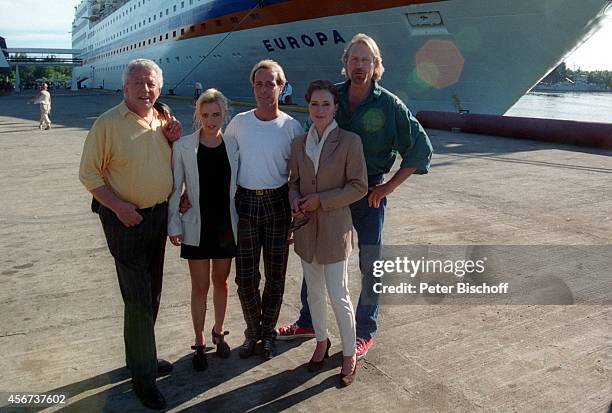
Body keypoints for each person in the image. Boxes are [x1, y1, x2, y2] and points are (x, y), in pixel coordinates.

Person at [276, 33, 433, 360]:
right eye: (354, 59)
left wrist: (387, 187)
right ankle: (308, 321)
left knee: (369, 263)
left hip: (368, 193)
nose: (359, 65)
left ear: (377, 66)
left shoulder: (389, 105)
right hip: (325, 194)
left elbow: (421, 150)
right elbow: (309, 143)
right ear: (345, 63)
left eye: (367, 60)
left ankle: (364, 331)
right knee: (315, 256)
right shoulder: (331, 97)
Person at [79, 59, 182, 410]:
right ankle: (143, 378)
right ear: (125, 88)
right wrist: (119, 206)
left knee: (151, 293)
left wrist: (172, 143)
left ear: (159, 87)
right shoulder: (108, 124)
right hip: (124, 220)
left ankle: (143, 358)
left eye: (151, 83)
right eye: (137, 83)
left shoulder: (161, 121)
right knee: (137, 299)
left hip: (157, 217)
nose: (145, 89)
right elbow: (89, 175)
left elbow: (164, 164)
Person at [289, 79, 367, 386]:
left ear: (336, 108)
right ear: (307, 107)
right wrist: (294, 199)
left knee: (339, 294)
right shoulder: (298, 143)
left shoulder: (350, 142)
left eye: (326, 104)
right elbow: (293, 181)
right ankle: (321, 341)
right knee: (315, 294)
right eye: (314, 104)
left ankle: (349, 352)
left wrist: (322, 199)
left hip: (335, 230)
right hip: (307, 230)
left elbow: (359, 186)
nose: (320, 110)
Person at [225, 60, 303, 360]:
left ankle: (267, 332)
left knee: (275, 276)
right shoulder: (240, 123)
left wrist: (296, 216)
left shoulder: (291, 127)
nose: (263, 89)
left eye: (270, 83)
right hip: (245, 203)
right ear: (252, 87)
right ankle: (252, 332)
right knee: (245, 277)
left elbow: (297, 175)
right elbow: (223, 163)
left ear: (281, 88)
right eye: (258, 83)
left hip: (277, 204)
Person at [167, 89, 238, 371]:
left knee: (221, 283)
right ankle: (198, 341)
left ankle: (218, 333)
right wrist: (173, 222)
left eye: (216, 115)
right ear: (199, 115)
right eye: (206, 115)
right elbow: (176, 189)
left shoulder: (233, 144)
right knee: (200, 286)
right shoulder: (183, 146)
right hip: (196, 224)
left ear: (224, 115)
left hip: (225, 225)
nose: (211, 120)